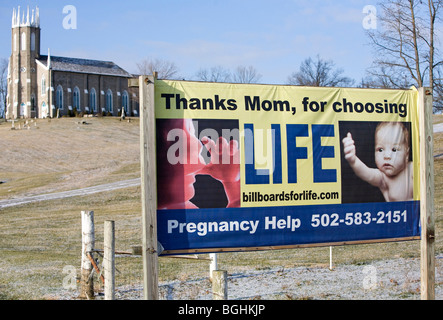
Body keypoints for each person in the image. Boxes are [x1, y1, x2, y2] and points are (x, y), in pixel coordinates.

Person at [156, 119, 240, 209]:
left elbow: (231, 222)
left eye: (191, 132)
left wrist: (231, 184)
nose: (199, 145)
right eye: (175, 139)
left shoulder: (182, 208)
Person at [342, 122, 413, 202]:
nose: (387, 156)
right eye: (380, 149)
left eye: (394, 150)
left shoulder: (412, 169)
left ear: (406, 154)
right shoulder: (383, 178)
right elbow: (368, 173)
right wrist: (353, 160)